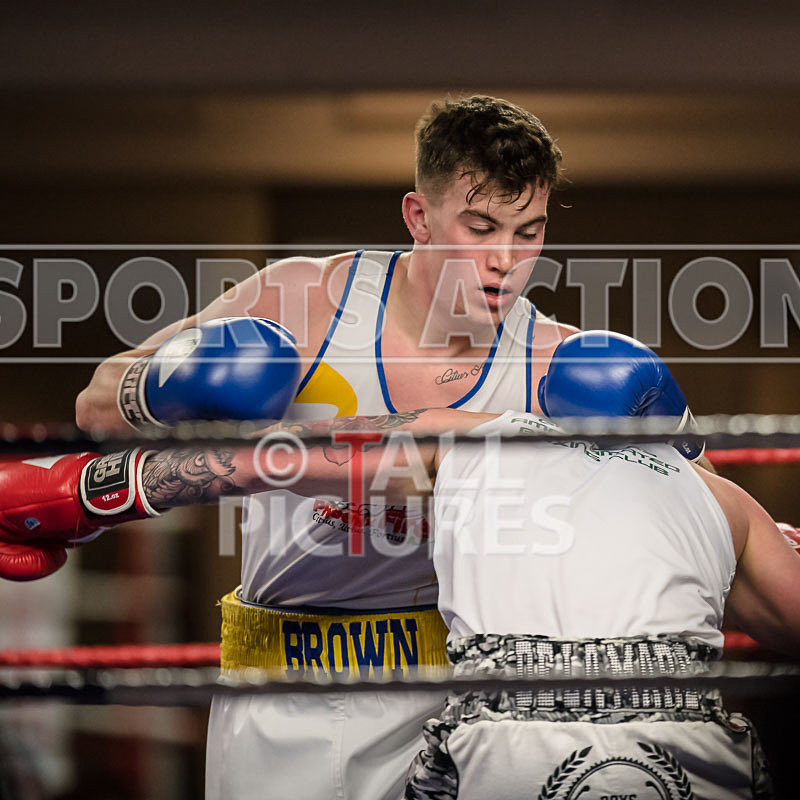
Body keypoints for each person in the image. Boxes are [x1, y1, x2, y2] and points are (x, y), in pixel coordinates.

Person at [68, 96, 701, 799]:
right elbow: (96, 403)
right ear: (419, 217)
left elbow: (687, 508)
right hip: (280, 691)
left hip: (452, 694)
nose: (505, 261)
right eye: (481, 226)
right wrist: (167, 386)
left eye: (528, 233)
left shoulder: (557, 365)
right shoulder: (303, 300)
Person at [1, 399, 796, 798]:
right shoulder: (713, 495)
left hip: (506, 737)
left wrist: (90, 489)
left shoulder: (475, 437)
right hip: (681, 732)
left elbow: (262, 464)